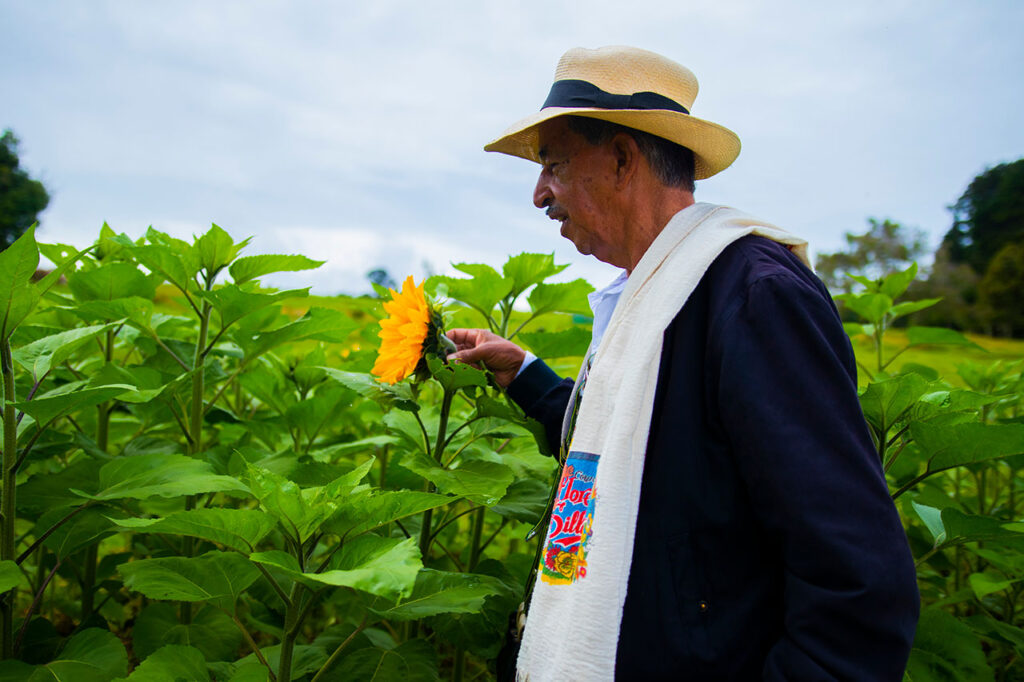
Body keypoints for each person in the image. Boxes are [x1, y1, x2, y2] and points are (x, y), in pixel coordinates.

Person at [448, 46, 919, 681]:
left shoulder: (754, 295)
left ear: (621, 159)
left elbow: (857, 583)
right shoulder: (651, 290)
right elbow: (643, 450)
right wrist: (524, 373)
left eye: (553, 165)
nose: (539, 195)